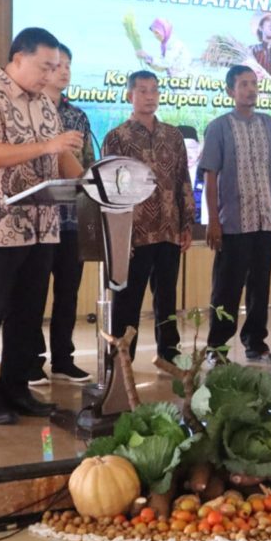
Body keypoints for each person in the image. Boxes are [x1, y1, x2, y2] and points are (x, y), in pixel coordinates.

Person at [0, 27, 84, 425]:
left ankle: (16, 388)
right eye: (44, 66)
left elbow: (61, 158)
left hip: (42, 225)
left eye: (55, 67)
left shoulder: (45, 104)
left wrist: (94, 184)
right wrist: (48, 146)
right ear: (18, 58)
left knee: (29, 312)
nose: (51, 75)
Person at [102, 71, 194, 362]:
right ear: (130, 96)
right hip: (134, 233)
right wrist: (117, 235)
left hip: (169, 229)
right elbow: (109, 189)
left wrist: (187, 223)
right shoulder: (117, 137)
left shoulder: (173, 135)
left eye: (154, 90)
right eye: (142, 91)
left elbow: (183, 179)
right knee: (127, 301)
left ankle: (169, 355)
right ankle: (121, 359)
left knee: (167, 298)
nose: (150, 96)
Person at [201, 65, 271, 365]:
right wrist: (213, 221)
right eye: (243, 84)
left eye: (253, 83)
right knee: (226, 289)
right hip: (233, 224)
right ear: (230, 91)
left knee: (260, 288)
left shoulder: (269, 124)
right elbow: (210, 176)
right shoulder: (219, 127)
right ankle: (216, 348)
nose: (250, 89)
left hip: (265, 220)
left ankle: (256, 344)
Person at [29, 43, 96, 385]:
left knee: (67, 292)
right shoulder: (29, 110)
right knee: (34, 291)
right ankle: (30, 361)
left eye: (68, 65)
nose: (64, 71)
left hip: (71, 219)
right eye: (57, 65)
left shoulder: (78, 116)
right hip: (37, 219)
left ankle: (63, 359)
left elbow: (87, 166)